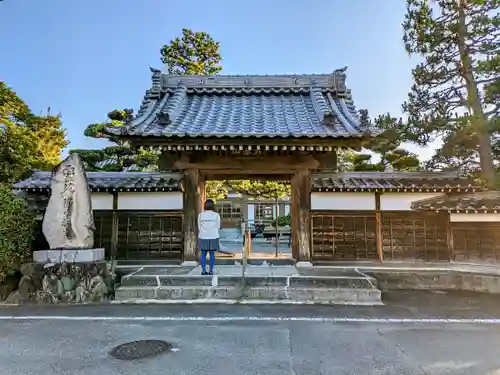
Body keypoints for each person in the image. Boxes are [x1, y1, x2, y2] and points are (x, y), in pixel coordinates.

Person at [197, 199, 221, 275]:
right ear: (213, 206)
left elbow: (199, 227)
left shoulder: (200, 215)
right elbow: (218, 227)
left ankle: (203, 271)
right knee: (212, 254)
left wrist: (204, 232)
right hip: (213, 236)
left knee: (203, 254)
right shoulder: (216, 215)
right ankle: (211, 271)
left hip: (203, 236)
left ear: (205, 206)